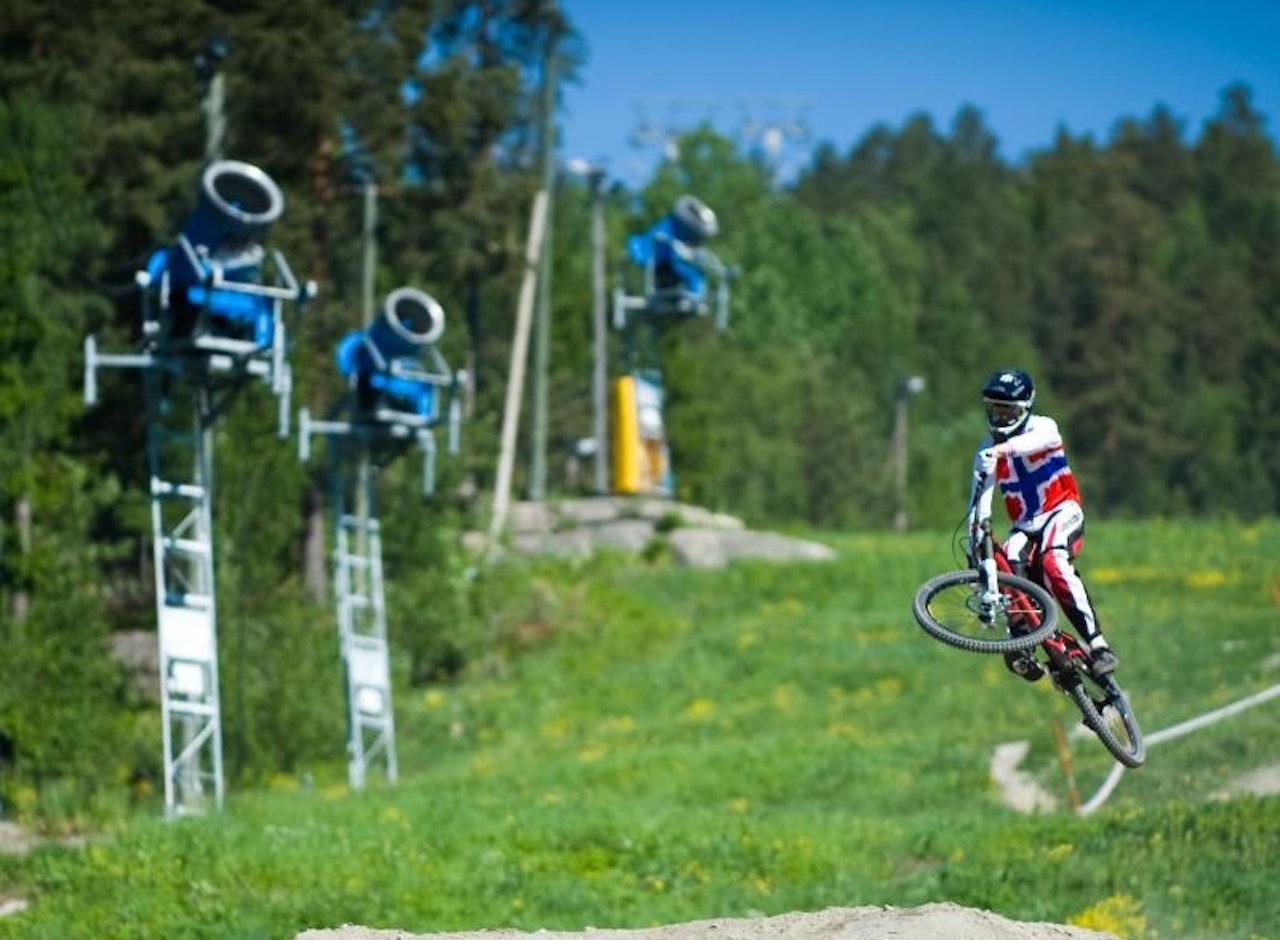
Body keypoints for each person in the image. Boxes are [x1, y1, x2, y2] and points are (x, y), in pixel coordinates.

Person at [968, 368, 1118, 680]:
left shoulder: (1043, 427)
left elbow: (1031, 443)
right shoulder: (986, 449)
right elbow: (979, 502)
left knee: (1053, 561)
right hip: (1025, 526)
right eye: (995, 409)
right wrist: (976, 544)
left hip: (1061, 512)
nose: (1001, 417)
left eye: (1008, 411)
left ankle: (1098, 645)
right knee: (1008, 562)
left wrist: (999, 451)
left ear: (1025, 409)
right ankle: (1024, 639)